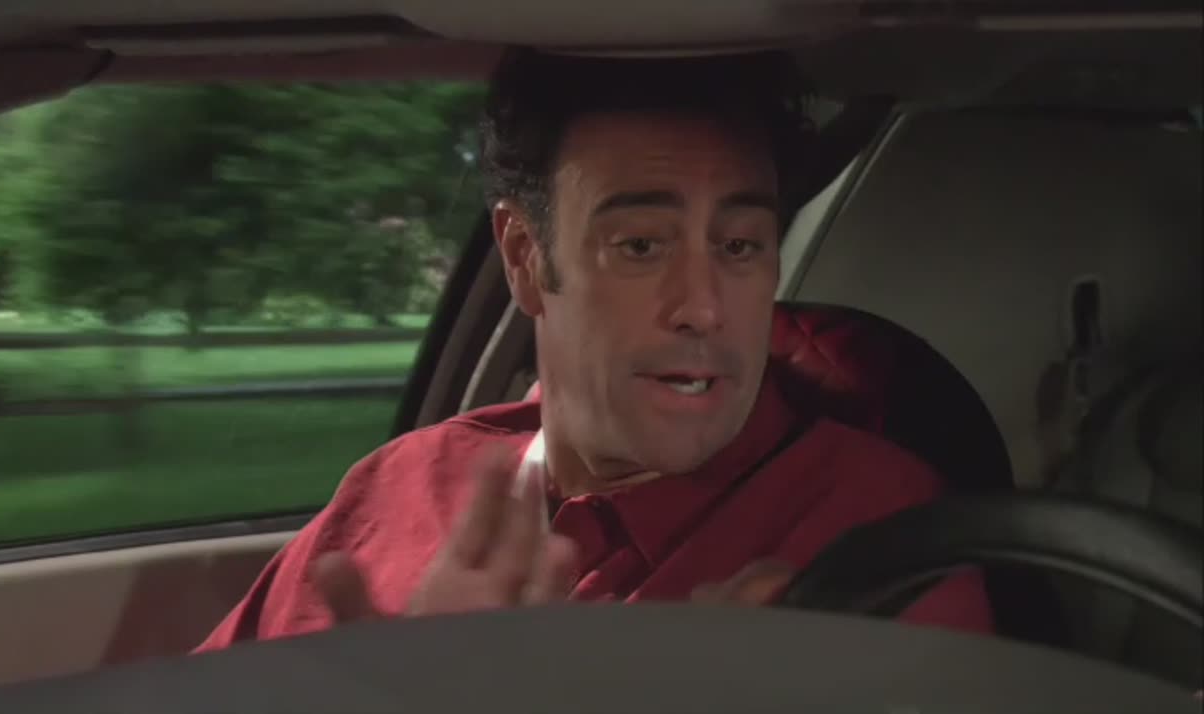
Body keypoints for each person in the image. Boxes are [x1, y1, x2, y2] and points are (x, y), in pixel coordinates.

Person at [194, 48, 992, 651]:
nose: (704, 308)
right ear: (524, 257)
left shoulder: (879, 539)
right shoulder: (398, 489)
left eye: (741, 246)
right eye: (641, 246)